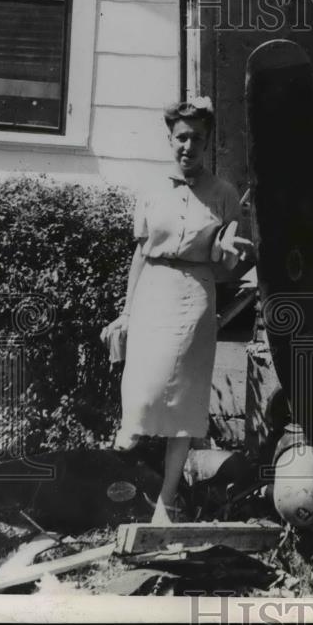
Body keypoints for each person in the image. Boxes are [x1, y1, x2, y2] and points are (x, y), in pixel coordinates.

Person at [106, 96, 255, 524]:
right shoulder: (151, 190)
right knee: (142, 389)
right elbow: (139, 254)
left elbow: (226, 261)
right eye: (181, 137)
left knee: (186, 406)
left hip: (196, 294)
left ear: (207, 144)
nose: (188, 146)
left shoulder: (224, 194)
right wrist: (128, 311)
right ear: (169, 138)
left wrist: (229, 251)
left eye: (197, 139)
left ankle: (167, 502)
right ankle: (120, 477)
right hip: (153, 287)